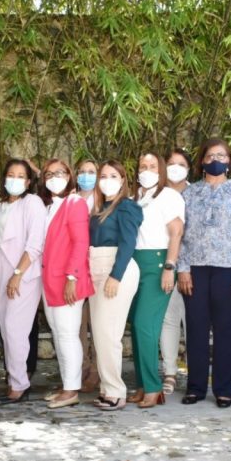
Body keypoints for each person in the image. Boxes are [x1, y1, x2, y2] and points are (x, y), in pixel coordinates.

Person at [177, 139, 231, 407]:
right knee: (196, 328)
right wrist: (183, 268)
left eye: (221, 156)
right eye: (210, 155)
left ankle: (224, 389)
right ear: (202, 161)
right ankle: (196, 387)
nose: (216, 160)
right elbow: (180, 235)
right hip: (195, 270)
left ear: (229, 161)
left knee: (226, 330)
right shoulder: (189, 194)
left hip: (229, 269)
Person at [129, 152, 184, 408]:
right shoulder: (135, 196)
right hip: (134, 263)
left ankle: (154, 387)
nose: (147, 170)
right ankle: (142, 385)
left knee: (145, 324)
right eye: (143, 166)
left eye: (152, 166)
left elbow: (176, 233)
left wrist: (169, 267)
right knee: (136, 326)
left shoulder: (169, 196)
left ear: (161, 170)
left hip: (158, 263)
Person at [88, 160, 143, 411]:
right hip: (96, 267)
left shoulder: (127, 207)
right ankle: (107, 387)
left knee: (109, 333)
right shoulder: (99, 207)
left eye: (113, 176)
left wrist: (115, 276)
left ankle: (115, 392)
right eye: (103, 176)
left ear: (122, 180)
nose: (107, 180)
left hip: (116, 269)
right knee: (100, 334)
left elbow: (128, 243)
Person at [0, 159, 47, 403]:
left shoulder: (32, 203)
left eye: (20, 176)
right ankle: (14, 379)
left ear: (28, 181)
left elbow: (35, 243)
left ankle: (20, 384)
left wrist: (17, 274)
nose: (15, 180)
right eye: (10, 175)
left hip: (24, 272)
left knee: (15, 328)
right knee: (5, 328)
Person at [40, 158, 94, 409]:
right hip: (49, 280)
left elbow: (81, 242)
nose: (55, 177)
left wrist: (72, 277)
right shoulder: (48, 206)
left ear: (69, 176)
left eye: (60, 172)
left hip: (67, 280)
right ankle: (66, 385)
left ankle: (72, 390)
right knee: (58, 334)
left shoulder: (75, 203)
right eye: (49, 174)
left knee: (68, 334)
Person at [160, 147, 191, 394]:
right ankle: (169, 372)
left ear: (189, 169)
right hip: (164, 267)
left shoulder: (197, 194)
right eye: (171, 163)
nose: (175, 168)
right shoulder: (156, 194)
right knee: (168, 319)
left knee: (193, 320)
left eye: (181, 164)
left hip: (192, 268)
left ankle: (195, 371)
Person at [74, 159, 100, 392]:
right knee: (78, 323)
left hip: (98, 266)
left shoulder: (104, 200)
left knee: (98, 321)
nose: (86, 176)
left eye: (91, 172)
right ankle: (82, 366)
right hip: (76, 269)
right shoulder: (70, 199)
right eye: (82, 172)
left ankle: (97, 370)